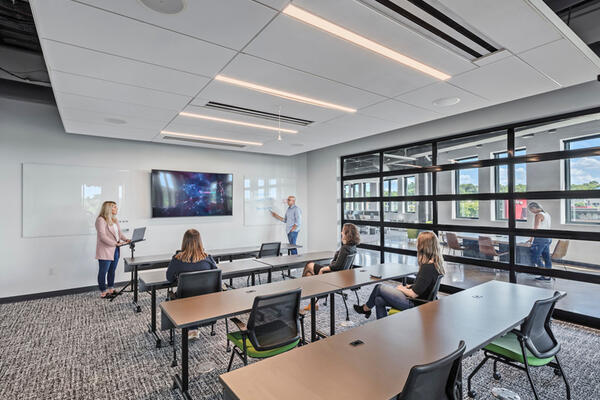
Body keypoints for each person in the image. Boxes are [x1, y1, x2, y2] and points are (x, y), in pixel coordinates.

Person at [354, 231, 444, 319]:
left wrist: (401, 288)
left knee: (379, 287)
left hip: (414, 304)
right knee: (378, 300)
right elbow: (425, 285)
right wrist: (411, 286)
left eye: (418, 243)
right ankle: (381, 326)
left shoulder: (427, 268)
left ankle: (365, 309)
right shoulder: (435, 265)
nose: (417, 245)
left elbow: (413, 294)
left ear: (423, 247)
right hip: (422, 301)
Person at [95, 201, 129, 299]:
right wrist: (115, 243)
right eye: (114, 207)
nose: (116, 209)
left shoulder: (114, 220)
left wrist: (126, 239)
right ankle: (103, 291)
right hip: (105, 249)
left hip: (115, 249)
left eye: (116, 207)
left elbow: (119, 234)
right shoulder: (101, 220)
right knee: (103, 271)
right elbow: (102, 236)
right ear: (108, 208)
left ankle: (111, 288)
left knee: (112, 270)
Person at [526, 202, 552, 281]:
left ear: (534, 208)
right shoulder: (547, 214)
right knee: (546, 257)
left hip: (540, 239)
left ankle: (544, 273)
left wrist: (531, 238)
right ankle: (548, 275)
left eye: (531, 210)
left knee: (534, 257)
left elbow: (536, 228)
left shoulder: (538, 215)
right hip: (548, 238)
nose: (531, 212)